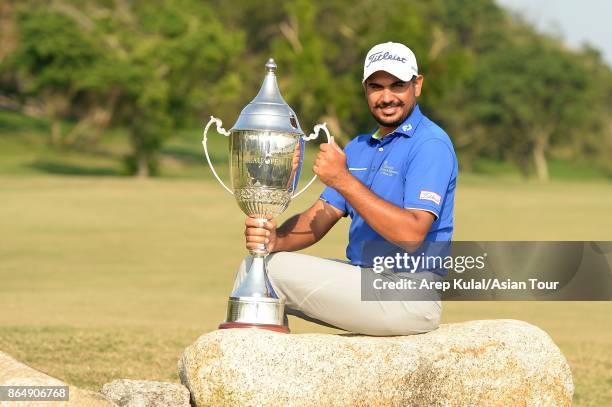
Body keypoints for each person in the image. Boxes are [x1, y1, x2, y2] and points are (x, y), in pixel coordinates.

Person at [233, 42, 458, 336]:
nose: (387, 97)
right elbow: (322, 214)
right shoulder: (360, 147)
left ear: (417, 85)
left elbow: (412, 235)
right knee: (258, 265)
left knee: (267, 274)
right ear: (365, 89)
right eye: (376, 86)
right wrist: (276, 239)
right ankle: (264, 375)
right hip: (367, 281)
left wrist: (342, 179)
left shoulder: (431, 144)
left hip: (409, 293)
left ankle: (252, 377)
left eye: (398, 85)